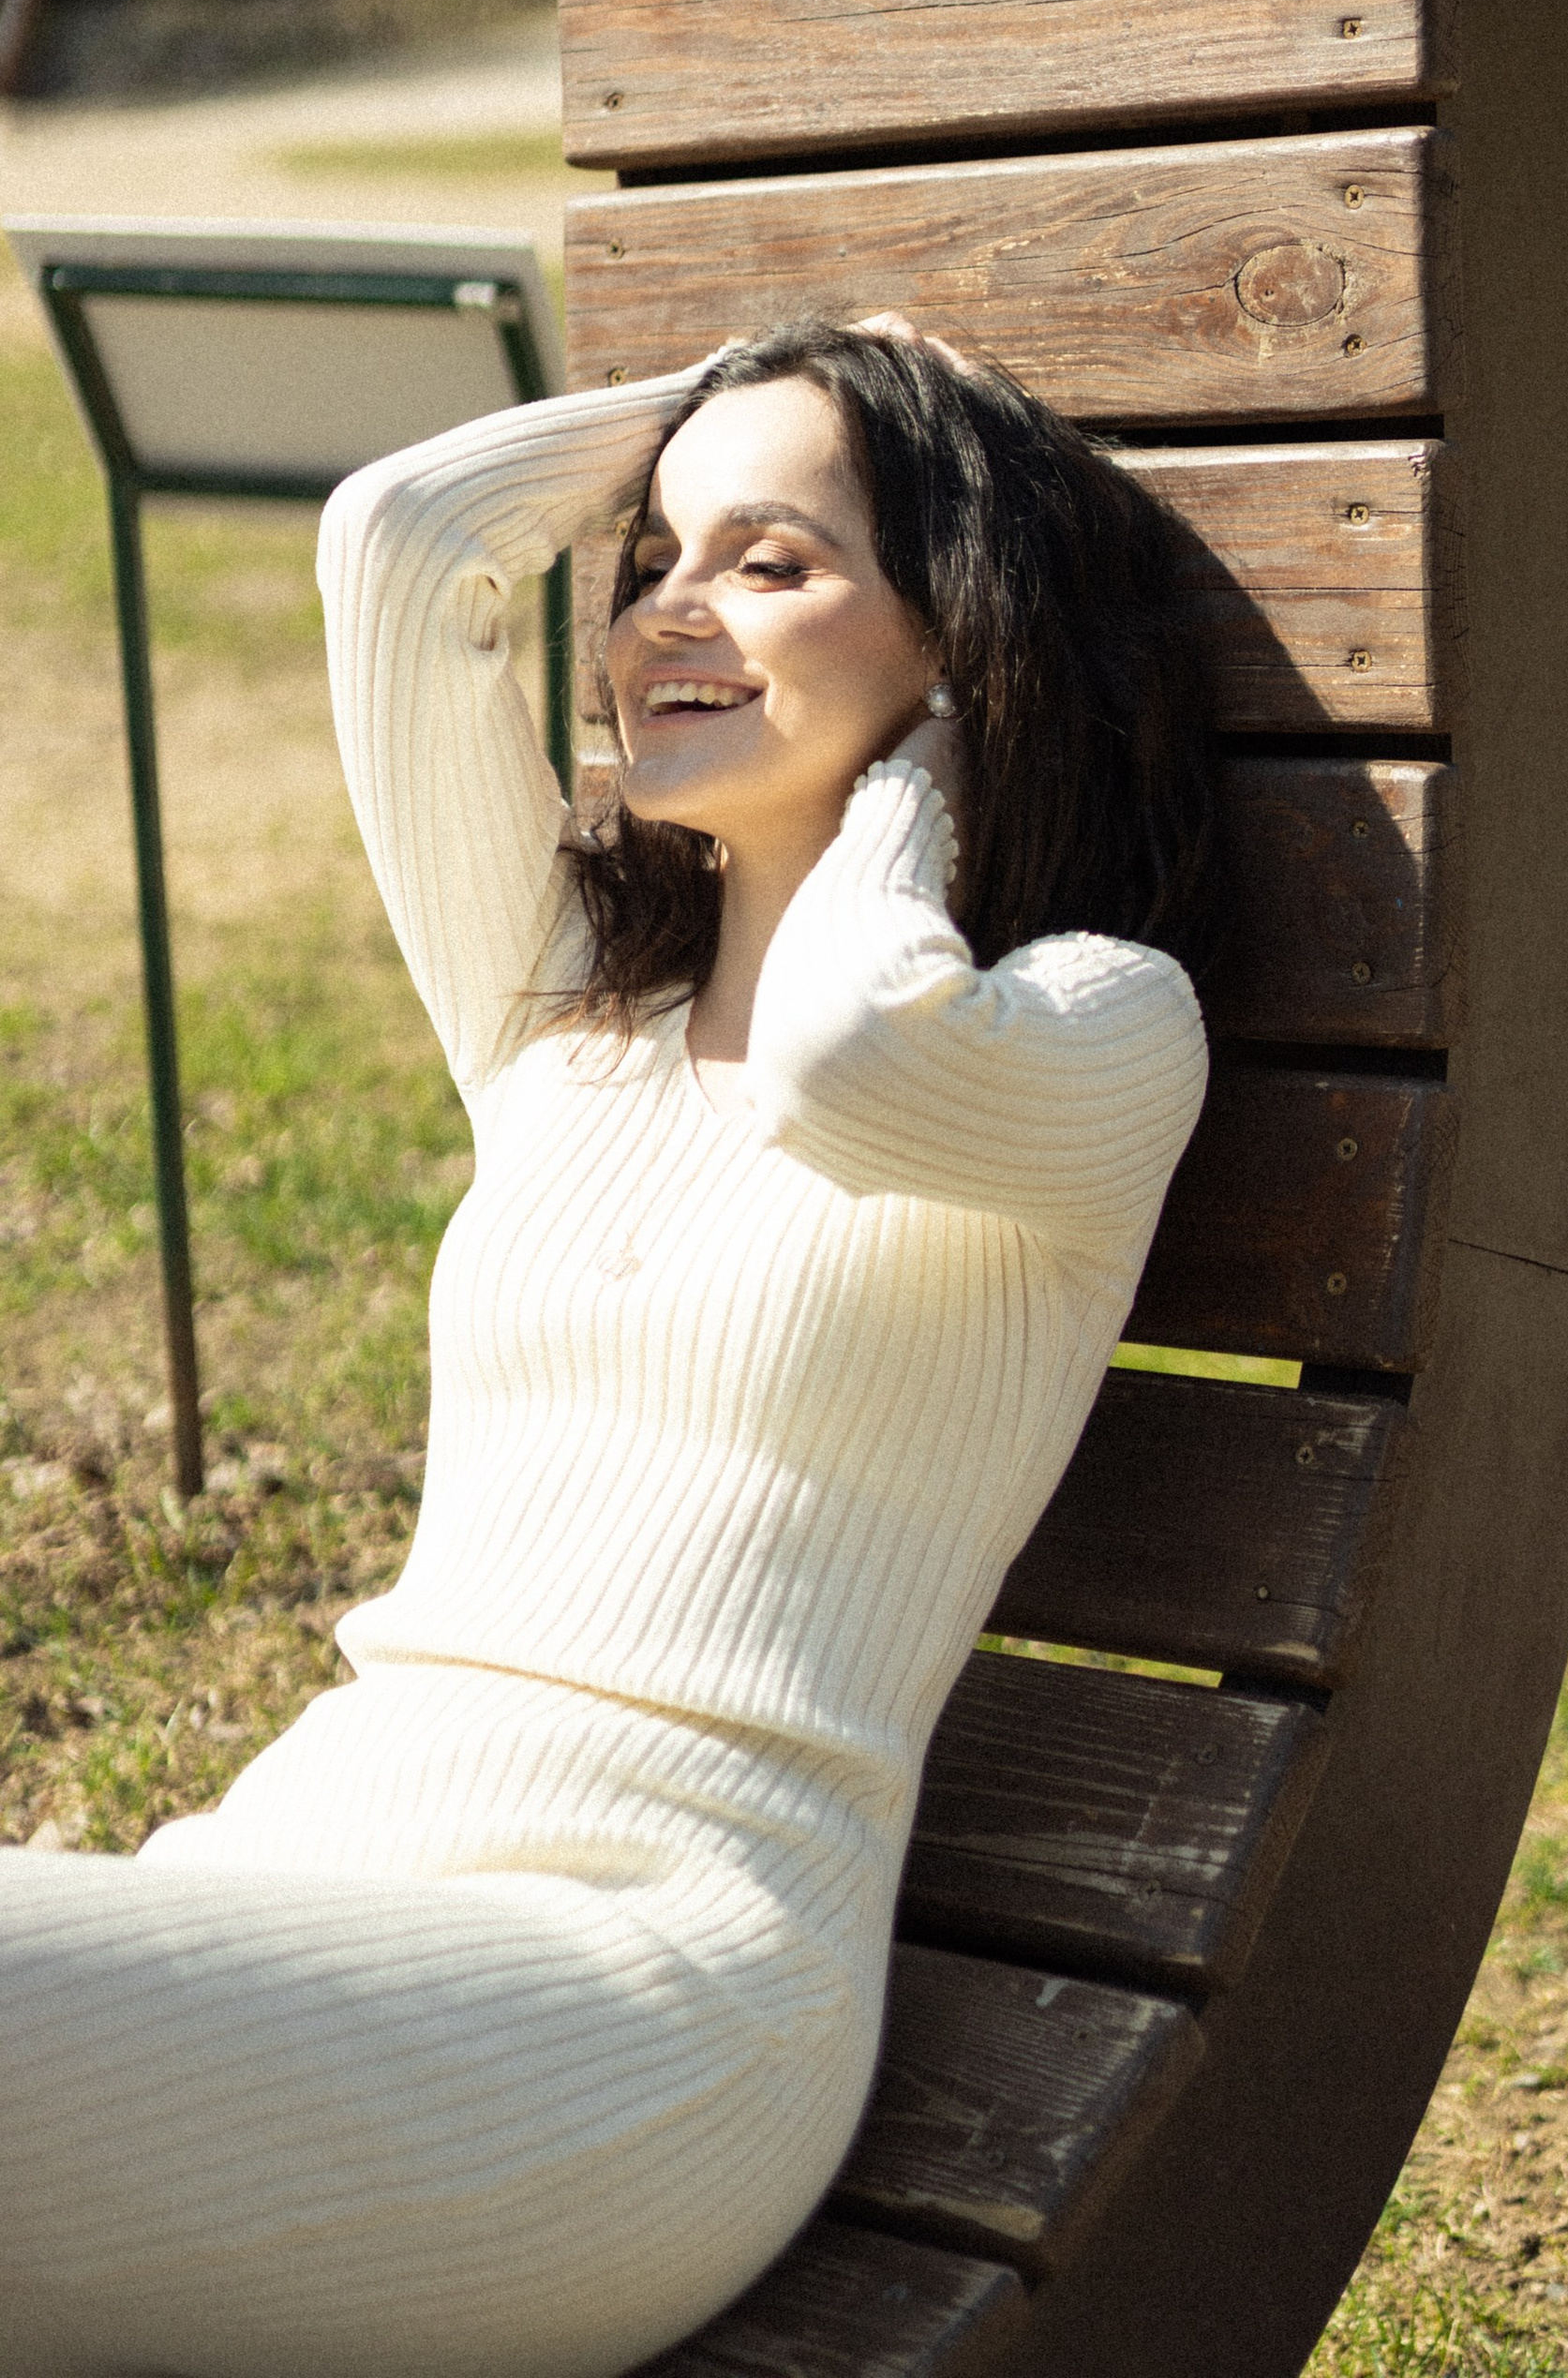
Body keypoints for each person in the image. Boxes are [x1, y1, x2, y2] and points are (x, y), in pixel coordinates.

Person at [0, 316, 1217, 2378]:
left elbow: (848, 1058)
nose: (662, 608)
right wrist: (762, 371)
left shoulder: (1092, 1026)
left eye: (770, 562)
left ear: (968, 642)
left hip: (640, 2006)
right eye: (649, 555)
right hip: (300, 1879)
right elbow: (404, 539)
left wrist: (914, 781)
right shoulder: (563, 1009)